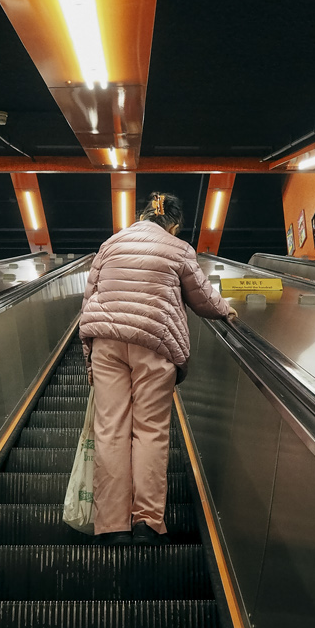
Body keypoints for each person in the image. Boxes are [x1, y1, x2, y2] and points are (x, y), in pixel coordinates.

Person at [78, 191, 238, 546]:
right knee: (150, 431)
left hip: (105, 341)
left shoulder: (110, 244)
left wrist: (88, 353)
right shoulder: (177, 248)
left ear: (141, 216)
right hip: (154, 342)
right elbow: (202, 298)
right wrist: (225, 308)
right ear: (175, 224)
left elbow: (89, 298)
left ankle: (112, 525)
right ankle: (147, 524)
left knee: (111, 430)